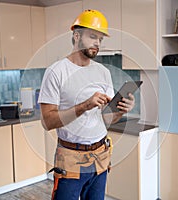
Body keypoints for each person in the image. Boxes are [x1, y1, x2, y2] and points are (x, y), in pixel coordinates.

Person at [38, 9, 135, 200]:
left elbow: (107, 118)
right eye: (92, 36)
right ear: (76, 36)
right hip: (71, 161)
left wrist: (122, 110)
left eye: (100, 39)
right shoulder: (57, 72)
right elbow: (47, 121)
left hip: (100, 158)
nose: (97, 43)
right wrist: (84, 105)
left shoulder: (103, 72)